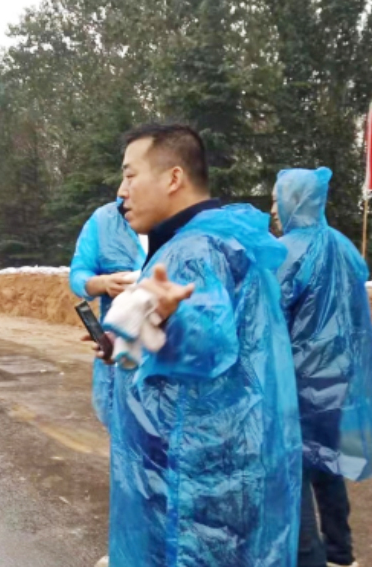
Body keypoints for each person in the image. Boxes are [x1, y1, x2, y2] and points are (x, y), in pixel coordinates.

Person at [93, 124, 302, 566]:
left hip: (192, 481)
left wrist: (176, 319)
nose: (120, 191)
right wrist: (126, 346)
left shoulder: (193, 249)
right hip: (219, 463)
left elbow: (210, 339)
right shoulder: (218, 236)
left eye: (130, 176)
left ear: (172, 178)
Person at [273, 167, 372, 567]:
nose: (275, 211)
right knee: (328, 466)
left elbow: (270, 317)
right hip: (339, 382)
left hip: (296, 384)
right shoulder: (346, 246)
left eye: (278, 199)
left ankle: (309, 557)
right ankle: (340, 552)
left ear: (293, 200)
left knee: (293, 473)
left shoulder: (285, 252)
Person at [70, 199, 146, 426]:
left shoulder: (182, 222)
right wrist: (103, 283)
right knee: (124, 431)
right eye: (124, 175)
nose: (123, 189)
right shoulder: (104, 221)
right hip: (119, 349)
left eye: (132, 176)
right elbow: (78, 275)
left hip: (165, 352)